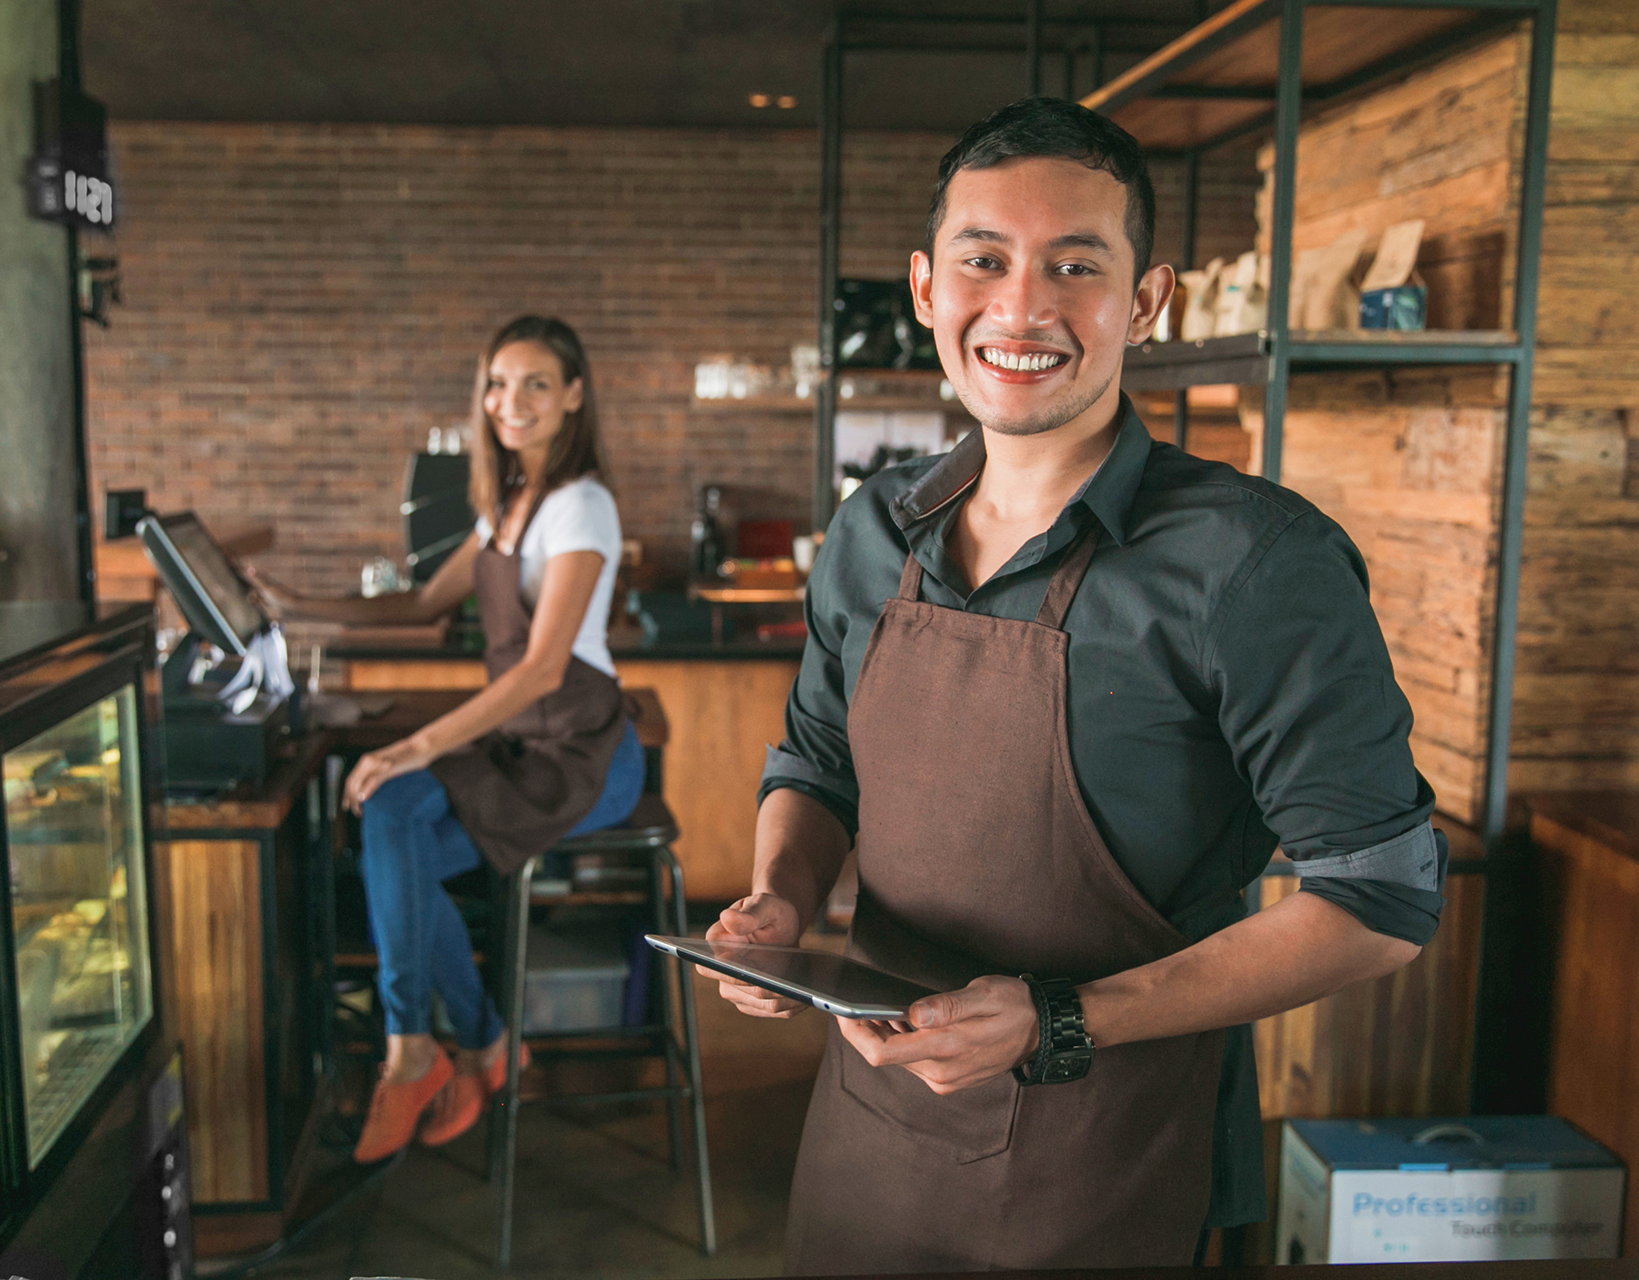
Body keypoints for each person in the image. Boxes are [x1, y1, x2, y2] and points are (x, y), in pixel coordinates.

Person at [712, 98, 1445, 1272]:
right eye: (985, 260)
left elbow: (1381, 902)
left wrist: (1060, 1018)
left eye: (1075, 265)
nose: (1021, 306)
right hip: (869, 1134)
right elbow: (816, 761)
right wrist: (781, 900)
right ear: (923, 286)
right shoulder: (870, 532)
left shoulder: (1257, 563)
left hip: (1109, 1161)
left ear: (1145, 302)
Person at [261, 316, 644, 1163]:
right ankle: (439, 1044)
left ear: (574, 395)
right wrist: (294, 606)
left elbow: (544, 669)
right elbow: (419, 606)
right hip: (519, 741)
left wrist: (417, 744)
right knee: (389, 818)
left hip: (583, 754)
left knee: (394, 821)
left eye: (536, 383)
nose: (513, 402)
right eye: (499, 384)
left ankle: (447, 1048)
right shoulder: (506, 505)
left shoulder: (582, 505)